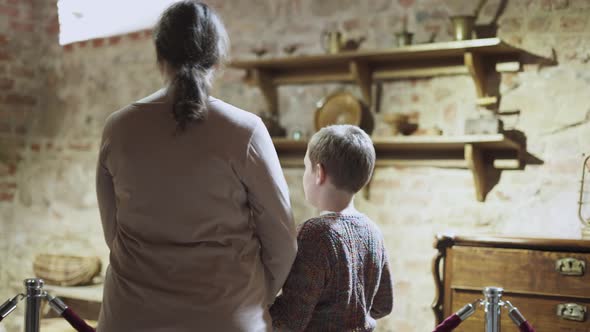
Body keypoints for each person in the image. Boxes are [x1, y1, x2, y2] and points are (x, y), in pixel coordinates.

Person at [95, 2, 297, 331]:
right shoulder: (245, 131)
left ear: (160, 56)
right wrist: (253, 297)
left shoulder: (118, 128)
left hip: (132, 316)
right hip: (226, 317)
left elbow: (112, 230)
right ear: (217, 59)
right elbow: (282, 241)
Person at [270, 125, 394, 331]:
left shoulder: (314, 235)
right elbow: (383, 305)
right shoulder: (373, 232)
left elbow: (290, 320)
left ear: (319, 172)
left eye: (306, 168)